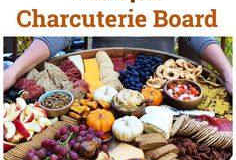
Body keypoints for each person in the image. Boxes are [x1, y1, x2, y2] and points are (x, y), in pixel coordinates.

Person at [4, 36, 232, 95]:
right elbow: (57, 35)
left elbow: (199, 37)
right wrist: (13, 71)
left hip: (154, 86)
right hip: (103, 86)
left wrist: (228, 73)